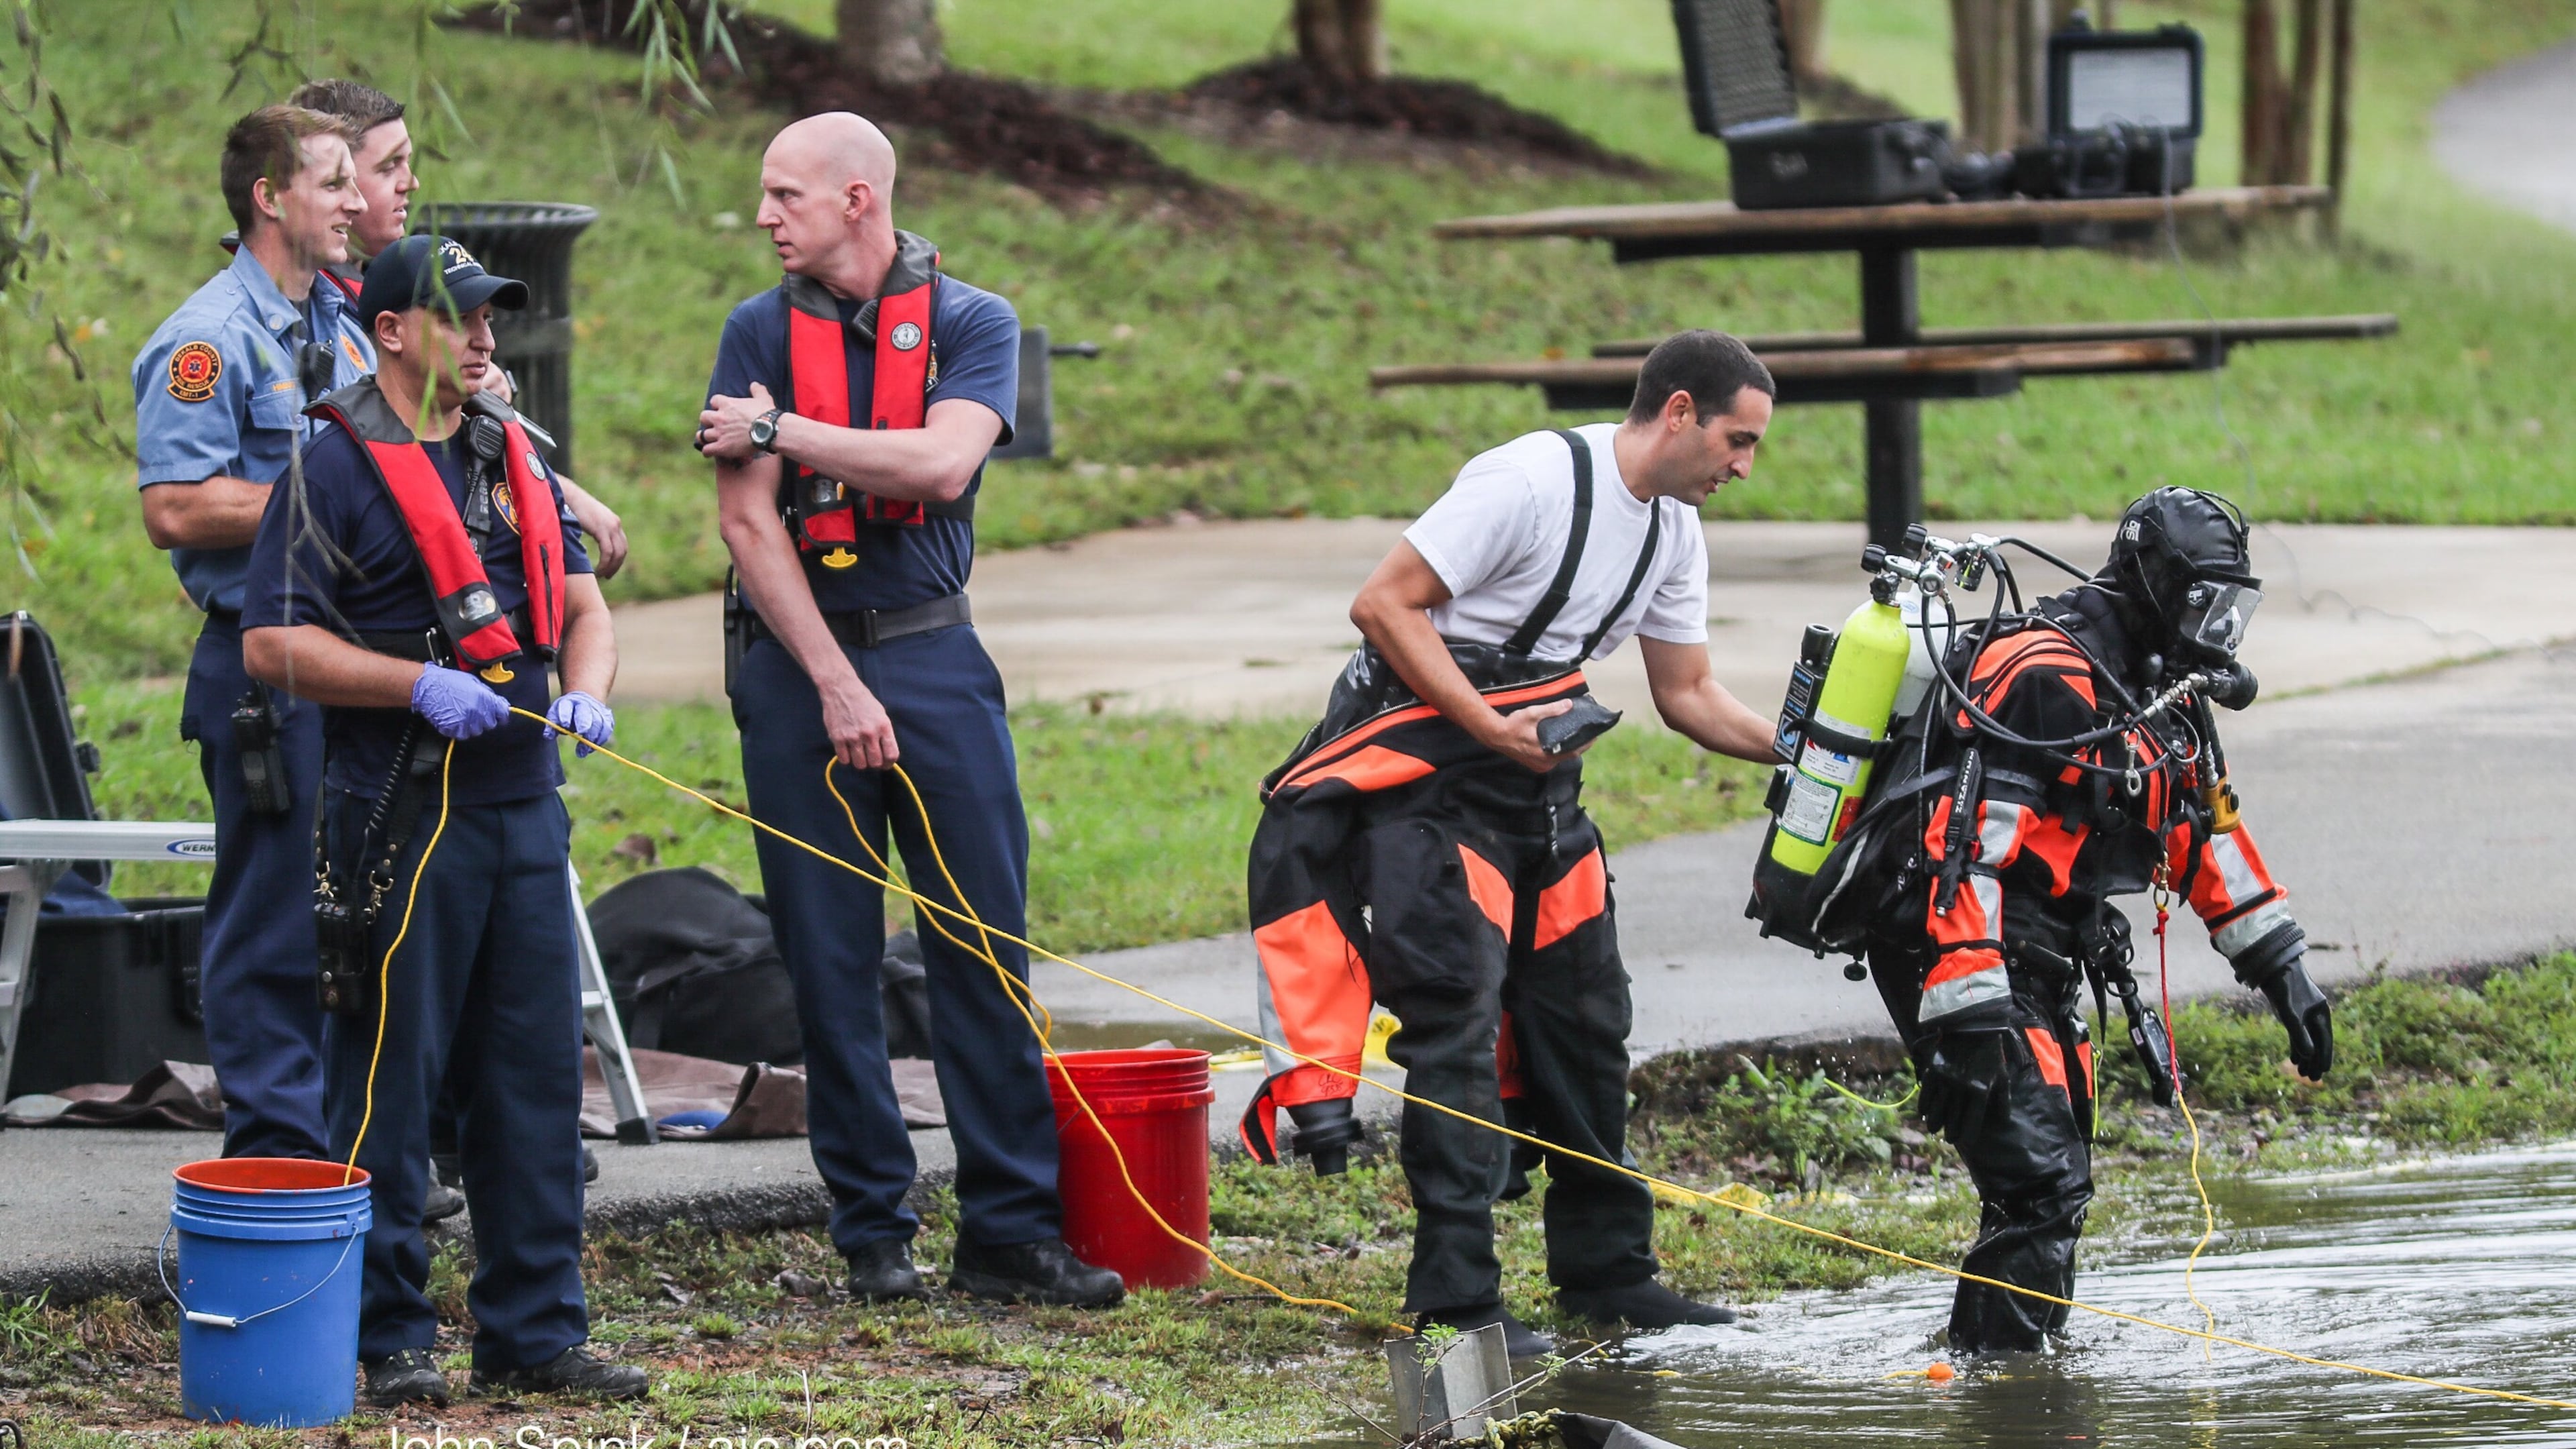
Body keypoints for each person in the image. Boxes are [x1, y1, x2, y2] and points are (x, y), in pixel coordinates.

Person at [1244, 331, 1786, 1356]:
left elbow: (1690, 695)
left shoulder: (1673, 530)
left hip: (1542, 794)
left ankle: (1608, 1277)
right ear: (1678, 412)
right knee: (1453, 1036)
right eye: (1736, 440)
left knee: (1589, 1029)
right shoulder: (1529, 482)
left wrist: (1812, 755)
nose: (1743, 467)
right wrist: (1486, 724)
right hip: (1433, 792)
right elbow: (1383, 605)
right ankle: (1456, 1305)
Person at [695, 111, 1122, 1309]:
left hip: (934, 661)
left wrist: (781, 428)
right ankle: (872, 1232)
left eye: (785, 195)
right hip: (794, 670)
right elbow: (747, 524)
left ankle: (1010, 1232)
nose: (766, 217)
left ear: (858, 200)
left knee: (981, 945)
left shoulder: (974, 322)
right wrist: (833, 681)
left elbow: (941, 467)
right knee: (828, 957)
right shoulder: (756, 327)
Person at [240, 235, 645, 1406]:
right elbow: (274, 643)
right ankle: (389, 1335)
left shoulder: (510, 449)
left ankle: (536, 1331)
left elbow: (583, 605)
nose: (484, 338)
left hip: (526, 806)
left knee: (534, 1081)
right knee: (388, 1082)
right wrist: (414, 683)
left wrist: (588, 690)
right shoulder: (332, 466)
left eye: (492, 319)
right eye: (459, 318)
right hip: (401, 812)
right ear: (394, 332)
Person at [1851, 487, 2332, 1354]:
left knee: (2048, 1185)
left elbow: (2197, 831)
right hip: (1958, 948)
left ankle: (2000, 1370)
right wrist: (1968, 1016)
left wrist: (2282, 968)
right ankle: (2006, 1393)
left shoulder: (2158, 686)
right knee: (2042, 1188)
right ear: (2151, 581)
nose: (2217, 625)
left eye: (2231, 604)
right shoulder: (2044, 674)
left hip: (2035, 956)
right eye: (2203, 599)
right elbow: (1965, 850)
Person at [129, 103, 373, 1161]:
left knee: (358, 912)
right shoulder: (205, 341)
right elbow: (176, 507)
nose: (359, 200)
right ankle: (277, 1154)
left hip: (356, 662)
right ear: (272, 198)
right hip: (261, 667)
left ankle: (363, 1144)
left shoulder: (347, 325)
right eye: (334, 183)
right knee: (274, 917)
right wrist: (330, 497)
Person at [285, 77, 631, 580]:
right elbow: (369, 468)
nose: (411, 181)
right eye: (389, 167)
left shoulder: (365, 294)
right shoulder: (305, 312)